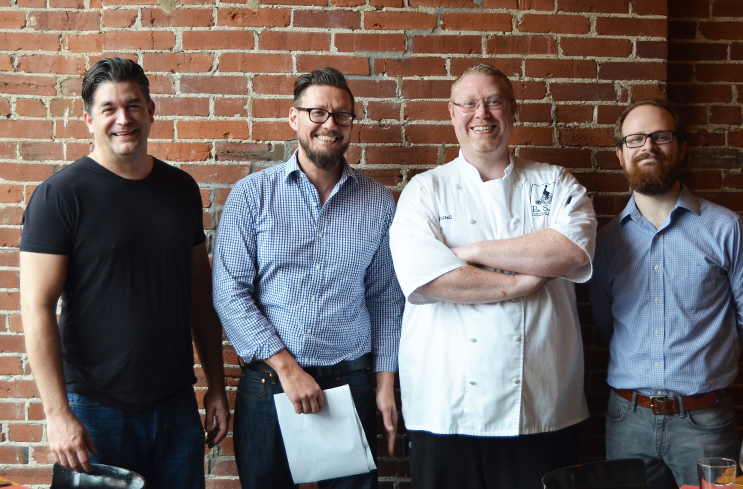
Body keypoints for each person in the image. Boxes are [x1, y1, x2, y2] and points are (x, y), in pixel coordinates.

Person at [19, 58, 230, 489]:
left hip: (174, 407)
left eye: (133, 105)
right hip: (94, 409)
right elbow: (36, 307)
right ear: (88, 120)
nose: (123, 119)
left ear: (151, 110)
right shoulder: (60, 196)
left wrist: (216, 386)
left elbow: (198, 294)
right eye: (109, 108)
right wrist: (58, 414)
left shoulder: (181, 189)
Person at [388, 63, 597, 489]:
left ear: (513, 111)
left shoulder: (554, 183)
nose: (481, 113)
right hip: (445, 406)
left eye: (494, 101)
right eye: (469, 103)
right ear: (452, 113)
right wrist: (522, 281)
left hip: (540, 402)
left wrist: (470, 253)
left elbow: (570, 250)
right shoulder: (423, 190)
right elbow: (426, 279)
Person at [212, 67, 403, 489]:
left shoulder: (377, 202)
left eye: (341, 115)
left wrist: (385, 384)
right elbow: (230, 292)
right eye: (317, 112)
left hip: (351, 381)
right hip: (269, 382)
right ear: (294, 118)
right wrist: (288, 368)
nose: (330, 124)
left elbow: (386, 298)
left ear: (351, 124)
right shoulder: (252, 194)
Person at [589, 100, 743, 489]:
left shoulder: (727, 229)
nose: (648, 147)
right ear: (620, 154)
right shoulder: (606, 242)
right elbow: (605, 321)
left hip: (704, 420)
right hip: (627, 419)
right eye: (635, 138)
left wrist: (708, 352)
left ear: (681, 148)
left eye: (661, 136)